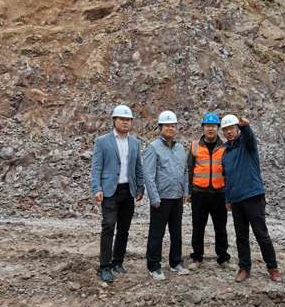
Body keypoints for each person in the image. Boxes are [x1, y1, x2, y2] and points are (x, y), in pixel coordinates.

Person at [220, 114, 281, 283]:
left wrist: (246, 126)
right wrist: (227, 198)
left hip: (253, 196)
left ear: (237, 129)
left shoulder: (247, 145)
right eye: (225, 130)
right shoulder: (226, 153)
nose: (229, 132)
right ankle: (244, 268)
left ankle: (273, 268)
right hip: (236, 199)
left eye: (232, 128)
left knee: (261, 234)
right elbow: (227, 177)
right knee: (241, 236)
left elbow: (249, 136)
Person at [90, 105, 144, 283]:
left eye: (128, 120)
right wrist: (96, 188)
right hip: (109, 191)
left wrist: (140, 187)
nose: (125, 122)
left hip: (128, 190)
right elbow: (96, 167)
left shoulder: (134, 143)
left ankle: (118, 261)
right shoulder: (102, 141)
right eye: (122, 119)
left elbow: (138, 167)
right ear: (114, 120)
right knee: (108, 225)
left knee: (123, 229)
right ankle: (105, 266)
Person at [143, 111, 190, 280]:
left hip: (177, 197)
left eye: (173, 125)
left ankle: (176, 261)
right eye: (167, 125)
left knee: (176, 232)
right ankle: (154, 265)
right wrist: (154, 197)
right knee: (157, 233)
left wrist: (185, 192)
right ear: (160, 127)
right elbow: (148, 175)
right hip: (161, 198)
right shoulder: (153, 148)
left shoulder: (180, 149)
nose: (170, 128)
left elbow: (185, 171)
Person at [187, 113, 234, 271]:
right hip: (199, 193)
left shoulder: (225, 147)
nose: (210, 129)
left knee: (220, 227)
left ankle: (223, 258)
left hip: (219, 193)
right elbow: (189, 170)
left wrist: (229, 194)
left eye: (213, 126)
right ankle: (196, 257)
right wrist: (189, 191)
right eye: (207, 126)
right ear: (203, 128)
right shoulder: (194, 146)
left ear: (218, 128)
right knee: (198, 227)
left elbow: (229, 172)